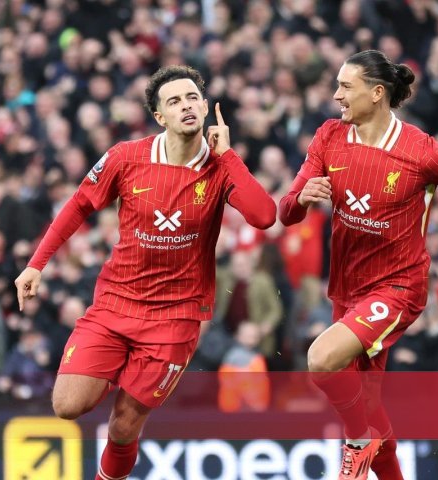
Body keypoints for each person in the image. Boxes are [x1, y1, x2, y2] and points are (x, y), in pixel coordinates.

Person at [14, 65, 276, 480]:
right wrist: (36, 263)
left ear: (206, 107)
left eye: (192, 98)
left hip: (176, 318)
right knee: (67, 405)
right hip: (115, 303)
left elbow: (264, 216)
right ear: (159, 116)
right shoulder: (126, 157)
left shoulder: (220, 166)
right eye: (174, 101)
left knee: (122, 426)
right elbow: (79, 205)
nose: (186, 106)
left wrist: (228, 155)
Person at [279, 50, 438, 480]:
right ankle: (372, 447)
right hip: (347, 291)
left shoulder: (421, 152)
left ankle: (356, 442)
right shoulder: (329, 136)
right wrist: (301, 197)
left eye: (346, 87)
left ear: (377, 93)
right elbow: (286, 212)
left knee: (321, 360)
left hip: (398, 287)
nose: (336, 95)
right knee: (368, 405)